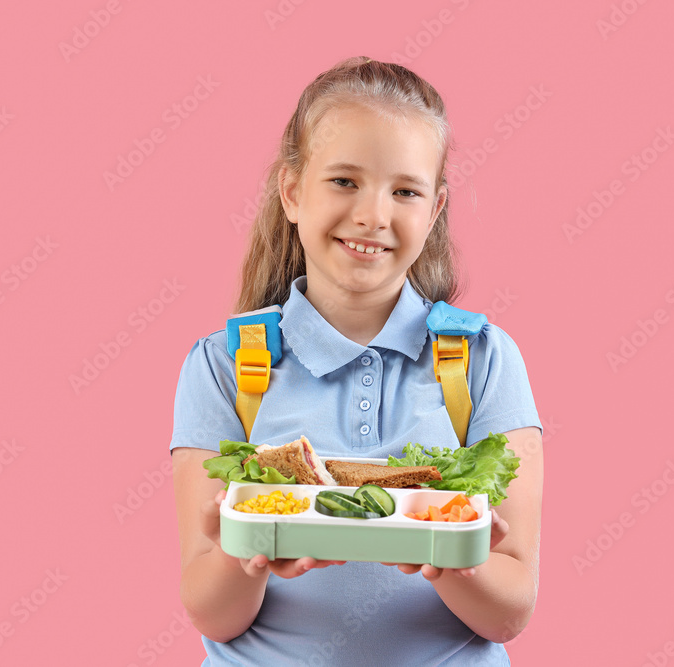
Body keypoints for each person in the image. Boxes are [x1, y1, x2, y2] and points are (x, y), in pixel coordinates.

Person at [170, 56, 543, 666]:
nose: (374, 215)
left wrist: (448, 554)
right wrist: (249, 550)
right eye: (344, 181)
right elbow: (210, 610)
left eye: (405, 191)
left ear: (434, 210)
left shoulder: (482, 361)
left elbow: (511, 610)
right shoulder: (224, 365)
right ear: (292, 192)